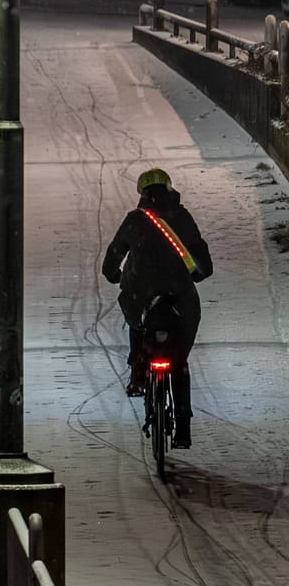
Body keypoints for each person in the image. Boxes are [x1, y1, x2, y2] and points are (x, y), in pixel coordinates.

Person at [102, 168, 213, 448]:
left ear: (142, 193)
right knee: (179, 359)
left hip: (142, 296)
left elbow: (114, 256)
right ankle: (184, 429)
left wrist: (114, 273)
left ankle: (139, 369)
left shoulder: (134, 221)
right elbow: (202, 261)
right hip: (178, 298)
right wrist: (194, 273)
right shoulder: (182, 217)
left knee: (136, 319)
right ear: (169, 189)